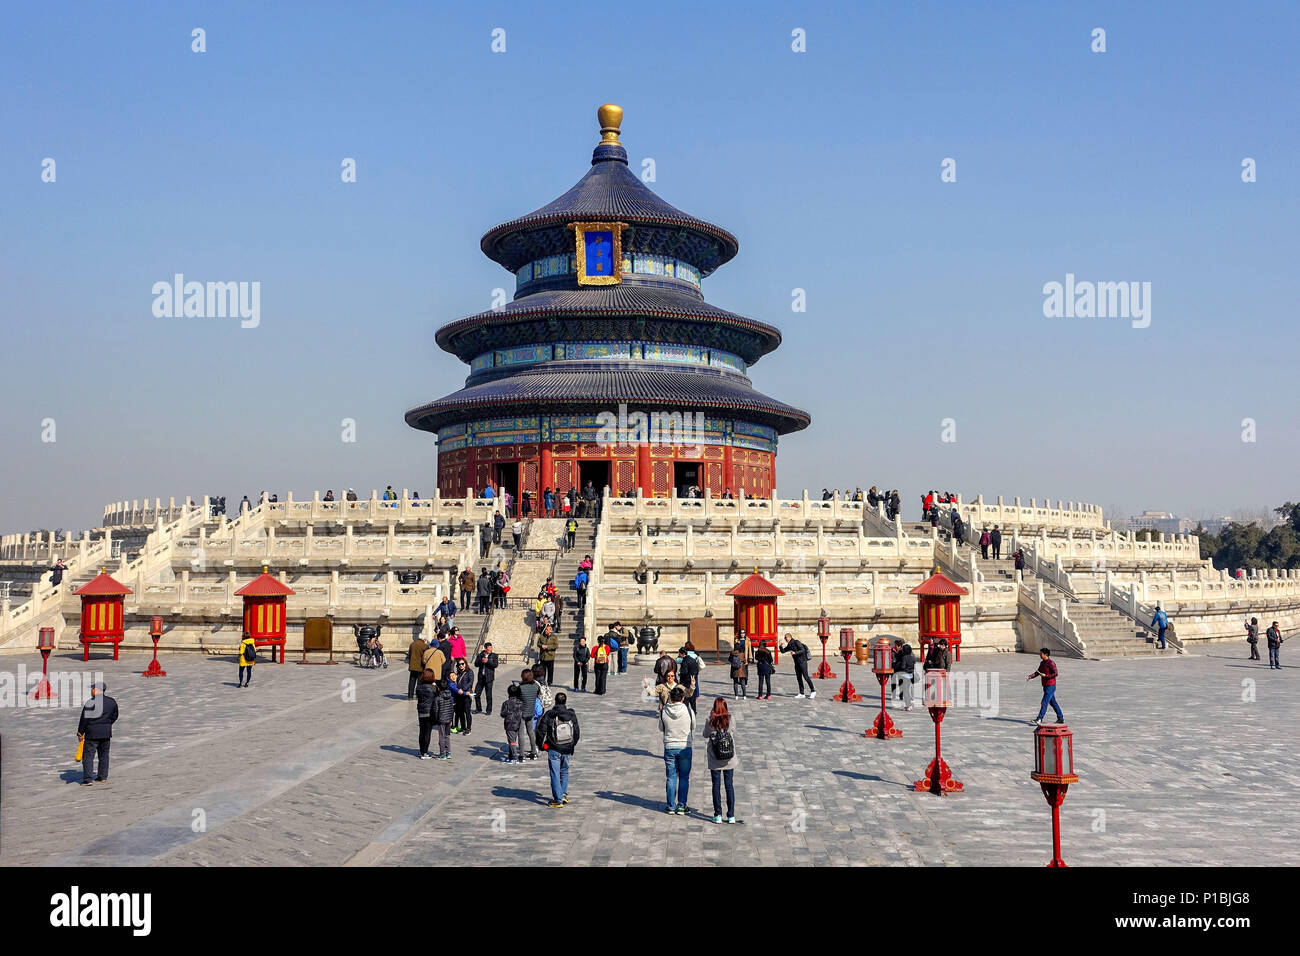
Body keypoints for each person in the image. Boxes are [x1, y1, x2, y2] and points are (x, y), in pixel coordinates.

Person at [536, 691, 580, 808]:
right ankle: (563, 794)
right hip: (567, 748)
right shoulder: (571, 714)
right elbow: (576, 732)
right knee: (564, 771)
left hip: (554, 748)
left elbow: (541, 731)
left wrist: (541, 746)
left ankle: (558, 799)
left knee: (555, 773)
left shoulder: (550, 714)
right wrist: (571, 745)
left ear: (555, 701)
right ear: (565, 702)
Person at [659, 686, 695, 814]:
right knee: (684, 777)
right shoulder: (688, 710)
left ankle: (670, 806)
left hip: (669, 746)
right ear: (683, 698)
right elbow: (693, 726)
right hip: (685, 746)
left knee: (671, 777)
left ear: (671, 698)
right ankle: (681, 805)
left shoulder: (664, 711)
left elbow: (661, 728)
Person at [702, 698, 739, 824]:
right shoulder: (730, 718)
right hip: (729, 757)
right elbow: (733, 731)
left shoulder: (710, 720)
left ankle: (717, 814)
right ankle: (731, 815)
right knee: (729, 786)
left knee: (716, 786)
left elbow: (705, 735)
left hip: (714, 757)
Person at [77, 681, 119, 786]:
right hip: (106, 733)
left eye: (92, 689)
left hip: (92, 734)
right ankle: (102, 777)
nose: (91, 691)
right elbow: (115, 716)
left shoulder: (91, 702)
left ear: (97, 690)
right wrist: (107, 724)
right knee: (104, 755)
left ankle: (88, 779)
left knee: (88, 756)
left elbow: (84, 719)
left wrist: (80, 732)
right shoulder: (111, 702)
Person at [1027, 647, 1063, 725]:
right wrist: (1031, 676)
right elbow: (1038, 672)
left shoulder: (1051, 663)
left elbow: (1055, 673)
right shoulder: (1042, 663)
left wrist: (1046, 675)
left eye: (1041, 654)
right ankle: (1060, 718)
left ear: (1045, 654)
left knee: (1044, 702)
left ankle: (1039, 718)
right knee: (1053, 703)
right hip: (1045, 685)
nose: (1040, 655)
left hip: (1051, 685)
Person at [779, 632, 816, 698]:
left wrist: (795, 652)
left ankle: (813, 691)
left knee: (806, 677)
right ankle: (801, 693)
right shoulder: (789, 645)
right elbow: (783, 651)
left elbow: (802, 650)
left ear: (790, 637)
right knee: (799, 678)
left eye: (786, 637)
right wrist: (780, 646)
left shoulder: (796, 642)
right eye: (784, 638)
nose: (785, 639)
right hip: (797, 663)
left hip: (803, 662)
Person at [517, 669, 541, 759]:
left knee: (521, 734)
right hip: (531, 712)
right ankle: (534, 751)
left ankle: (522, 754)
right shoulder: (536, 686)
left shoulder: (520, 688)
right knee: (531, 732)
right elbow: (537, 695)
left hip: (522, 713)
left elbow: (518, 698)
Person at [415, 668, 437, 759]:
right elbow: (437, 696)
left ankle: (421, 751)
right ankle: (425, 752)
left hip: (421, 711)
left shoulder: (418, 687)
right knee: (427, 732)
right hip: (429, 712)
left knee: (422, 731)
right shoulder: (433, 688)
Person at [501, 684, 525, 762]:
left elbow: (503, 714)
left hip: (509, 723)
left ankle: (514, 756)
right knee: (513, 739)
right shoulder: (521, 703)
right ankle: (511, 755)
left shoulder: (506, 703)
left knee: (512, 741)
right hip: (519, 723)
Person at [433, 678, 455, 759]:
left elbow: (435, 710)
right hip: (449, 719)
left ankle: (442, 753)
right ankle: (448, 752)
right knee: (447, 736)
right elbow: (452, 709)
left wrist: (435, 720)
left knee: (441, 736)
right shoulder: (450, 697)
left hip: (441, 719)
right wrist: (451, 719)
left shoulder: (438, 698)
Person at [677, 643, 702, 712]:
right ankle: (694, 712)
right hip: (693, 681)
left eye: (679, 654)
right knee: (693, 700)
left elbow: (684, 673)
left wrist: (681, 679)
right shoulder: (693, 660)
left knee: (686, 700)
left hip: (686, 683)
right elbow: (697, 670)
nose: (679, 655)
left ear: (682, 654)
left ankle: (686, 713)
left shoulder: (684, 661)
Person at [474, 642, 498, 714]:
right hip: (481, 678)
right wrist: (481, 661)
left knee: (488, 695)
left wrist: (488, 661)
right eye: (489, 648)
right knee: (477, 694)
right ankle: (478, 709)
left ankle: (488, 710)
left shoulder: (494, 656)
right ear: (485, 648)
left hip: (489, 678)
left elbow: (495, 665)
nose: (490, 649)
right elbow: (476, 664)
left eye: (491, 648)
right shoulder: (480, 655)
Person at [451, 659, 474, 735]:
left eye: (462, 664)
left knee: (467, 711)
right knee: (460, 712)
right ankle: (463, 727)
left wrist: (463, 689)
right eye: (459, 665)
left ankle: (468, 728)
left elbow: (470, 682)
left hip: (466, 694)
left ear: (465, 663)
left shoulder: (469, 672)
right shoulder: (458, 673)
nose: (460, 666)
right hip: (459, 695)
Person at [892, 638, 915, 711]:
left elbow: (903, 667)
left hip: (905, 675)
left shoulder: (904, 657)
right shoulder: (912, 657)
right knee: (907, 690)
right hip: (910, 675)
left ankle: (908, 705)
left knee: (905, 691)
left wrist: (897, 665)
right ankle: (909, 704)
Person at [407, 634, 429, 699]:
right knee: (419, 681)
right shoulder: (424, 646)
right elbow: (426, 656)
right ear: (424, 639)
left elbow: (410, 654)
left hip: (412, 666)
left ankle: (410, 696)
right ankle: (418, 695)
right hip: (420, 666)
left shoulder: (412, 644)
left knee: (412, 681)